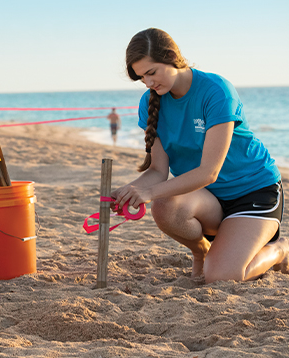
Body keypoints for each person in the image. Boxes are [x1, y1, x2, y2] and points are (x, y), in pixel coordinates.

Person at [112, 28, 288, 283]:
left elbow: (209, 172)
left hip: (253, 192)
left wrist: (148, 193)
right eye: (142, 78)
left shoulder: (216, 90)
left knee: (222, 277)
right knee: (164, 205)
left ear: (172, 57)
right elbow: (158, 172)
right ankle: (201, 251)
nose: (148, 83)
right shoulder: (149, 102)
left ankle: (280, 250)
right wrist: (127, 191)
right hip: (208, 199)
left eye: (151, 73)